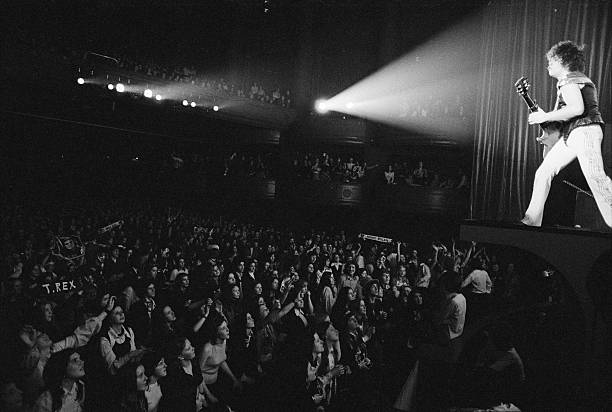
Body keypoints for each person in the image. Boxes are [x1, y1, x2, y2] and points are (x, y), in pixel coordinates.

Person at [522, 40, 611, 228]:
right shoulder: (570, 81)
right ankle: (531, 221)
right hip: (573, 134)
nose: (548, 65)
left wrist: (544, 116)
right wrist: (547, 128)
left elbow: (577, 109)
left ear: (562, 60)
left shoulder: (570, 79)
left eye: (551, 61)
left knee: (597, 179)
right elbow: (565, 115)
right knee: (543, 172)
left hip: (584, 131)